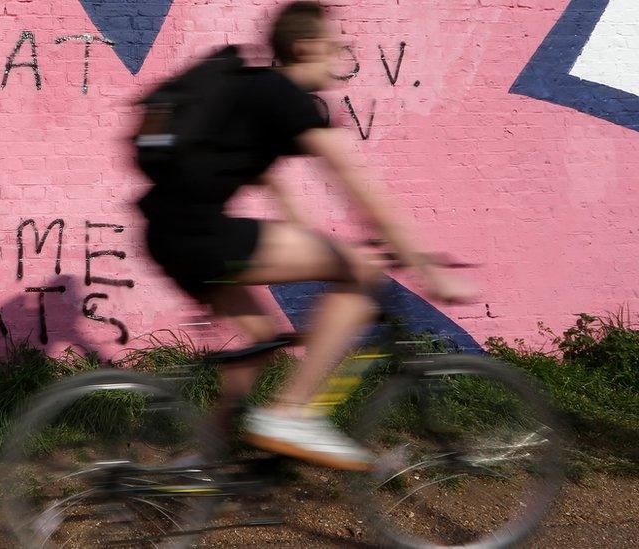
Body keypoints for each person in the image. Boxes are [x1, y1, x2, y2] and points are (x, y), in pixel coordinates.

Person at [136, 1, 475, 470]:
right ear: (304, 45)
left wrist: (296, 225)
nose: (339, 57)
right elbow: (357, 183)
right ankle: (291, 413)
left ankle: (205, 459)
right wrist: (420, 262)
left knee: (260, 339)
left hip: (167, 233)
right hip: (198, 234)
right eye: (334, 47)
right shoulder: (283, 95)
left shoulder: (254, 91)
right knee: (358, 272)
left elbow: (251, 167)